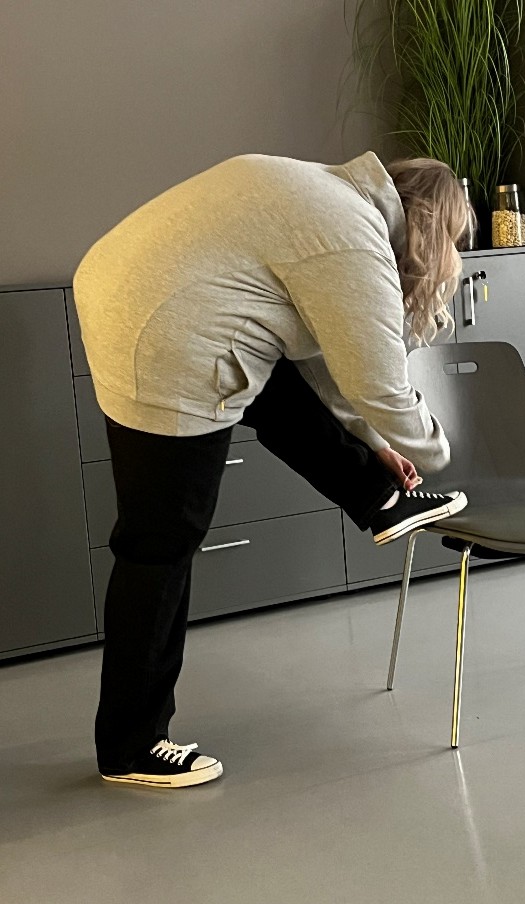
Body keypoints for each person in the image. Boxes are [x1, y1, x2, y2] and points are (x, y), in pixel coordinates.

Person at [73, 150, 473, 789]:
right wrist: (441, 451)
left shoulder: (324, 196)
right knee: (159, 543)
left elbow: (321, 365)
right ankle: (131, 745)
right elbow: (378, 384)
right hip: (166, 336)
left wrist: (374, 447)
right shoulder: (352, 238)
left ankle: (378, 499)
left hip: (133, 297)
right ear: (429, 228)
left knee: (274, 386)